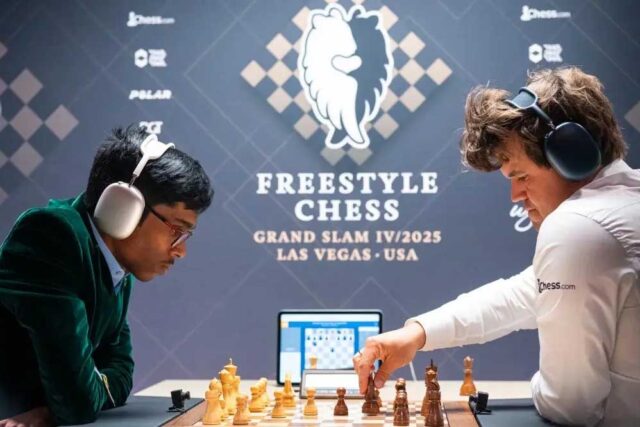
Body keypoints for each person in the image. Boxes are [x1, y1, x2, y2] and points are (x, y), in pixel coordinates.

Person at [353, 67, 640, 427]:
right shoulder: (619, 209)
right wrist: (418, 333)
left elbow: (570, 406)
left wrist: (534, 386)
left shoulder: (579, 227)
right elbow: (525, 294)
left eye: (522, 176)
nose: (516, 195)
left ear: (571, 155)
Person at [0, 126, 214, 426]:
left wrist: (53, 408)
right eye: (177, 230)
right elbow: (77, 402)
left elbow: (122, 375)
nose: (181, 251)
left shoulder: (115, 264)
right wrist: (71, 399)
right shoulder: (51, 237)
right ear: (124, 207)